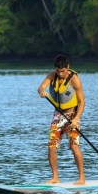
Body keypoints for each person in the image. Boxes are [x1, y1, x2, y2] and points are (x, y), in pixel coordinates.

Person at [37, 55, 86, 185]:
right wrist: (42, 91)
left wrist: (76, 119)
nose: (60, 73)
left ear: (68, 67)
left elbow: (82, 103)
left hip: (72, 116)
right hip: (58, 116)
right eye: (58, 71)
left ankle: (81, 178)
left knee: (74, 146)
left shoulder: (74, 79)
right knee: (51, 146)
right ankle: (55, 177)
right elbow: (41, 87)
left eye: (63, 71)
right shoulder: (52, 75)